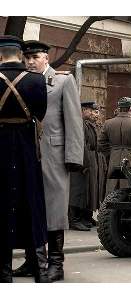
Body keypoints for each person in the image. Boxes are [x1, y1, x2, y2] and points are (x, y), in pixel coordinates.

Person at [13, 40, 84, 282]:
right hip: (27, 154)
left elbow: (74, 121)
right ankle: (33, 260)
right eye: (27, 57)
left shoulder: (63, 81)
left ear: (46, 57)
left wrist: (74, 157)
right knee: (28, 205)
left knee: (54, 209)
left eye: (36, 57)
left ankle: (56, 263)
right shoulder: (22, 81)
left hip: (54, 155)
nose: (31, 62)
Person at [0, 35, 49, 283]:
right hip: (26, 147)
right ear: (20, 55)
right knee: (31, 201)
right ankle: (41, 268)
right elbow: (40, 113)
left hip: (0, 146)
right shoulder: (36, 80)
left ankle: (3, 272)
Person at [98, 97, 131, 195]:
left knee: (112, 188)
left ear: (119, 108)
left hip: (113, 158)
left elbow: (101, 143)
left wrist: (111, 153)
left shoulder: (108, 123)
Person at [69, 101, 99, 231]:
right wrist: (85, 163)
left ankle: (82, 217)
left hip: (86, 161)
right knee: (76, 191)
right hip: (79, 162)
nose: (93, 113)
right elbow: (82, 145)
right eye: (90, 110)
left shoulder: (87, 124)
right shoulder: (79, 123)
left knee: (84, 191)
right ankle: (74, 219)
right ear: (83, 110)